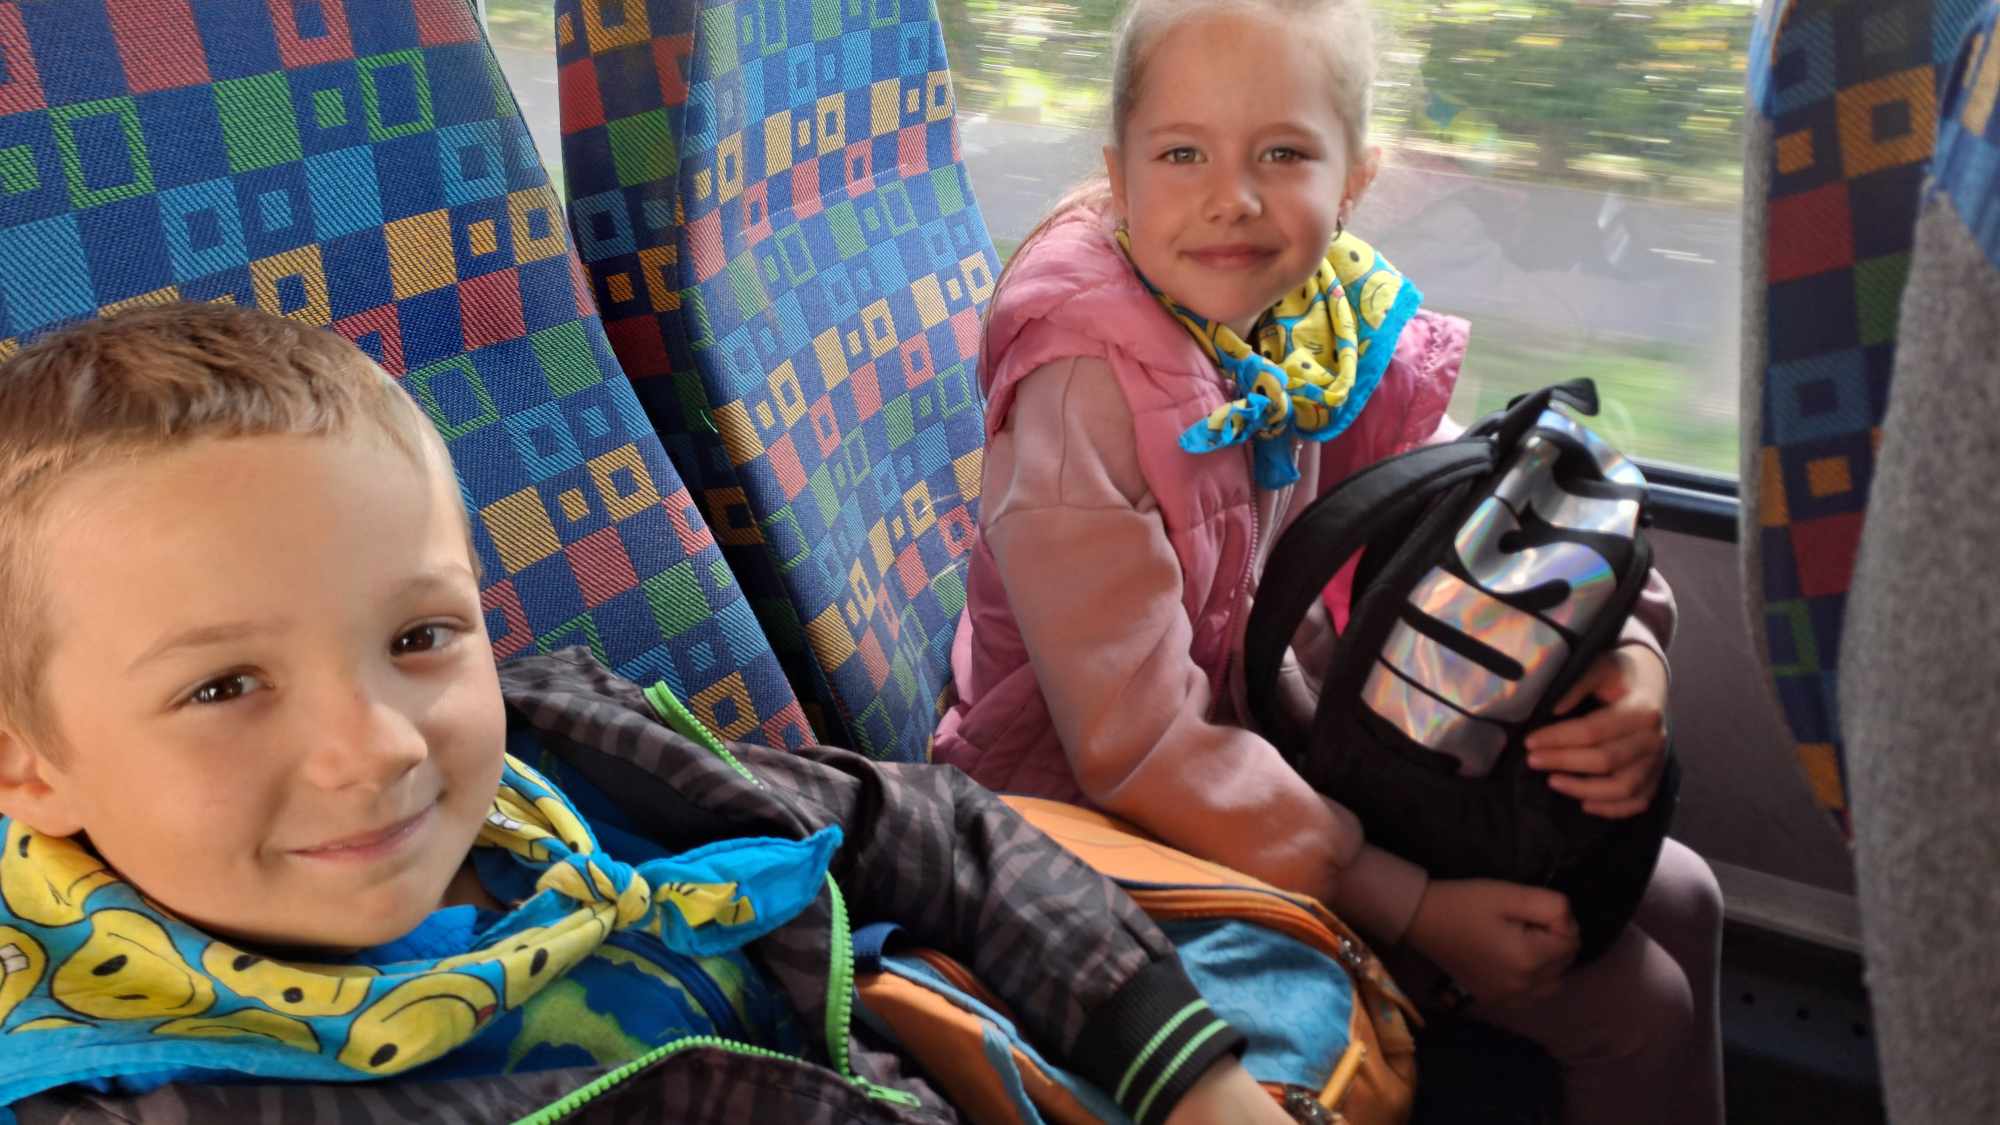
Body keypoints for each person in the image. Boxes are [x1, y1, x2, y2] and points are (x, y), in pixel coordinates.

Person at [0, 303, 1292, 1125]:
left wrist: (1192, 1076)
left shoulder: (567, 749)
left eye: (420, 637)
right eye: (224, 687)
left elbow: (921, 826)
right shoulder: (120, 1092)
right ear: (27, 762)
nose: (381, 744)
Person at [929, 1, 1723, 1120]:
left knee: (1686, 893)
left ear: (1355, 178)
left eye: (1283, 154)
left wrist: (1627, 651)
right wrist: (1411, 904)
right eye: (1182, 153)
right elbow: (1137, 747)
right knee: (1638, 1007)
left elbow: (1485, 514)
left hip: (1265, 751)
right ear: (1117, 173)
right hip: (1087, 826)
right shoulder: (1085, 391)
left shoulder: (1319, 320)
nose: (1232, 198)